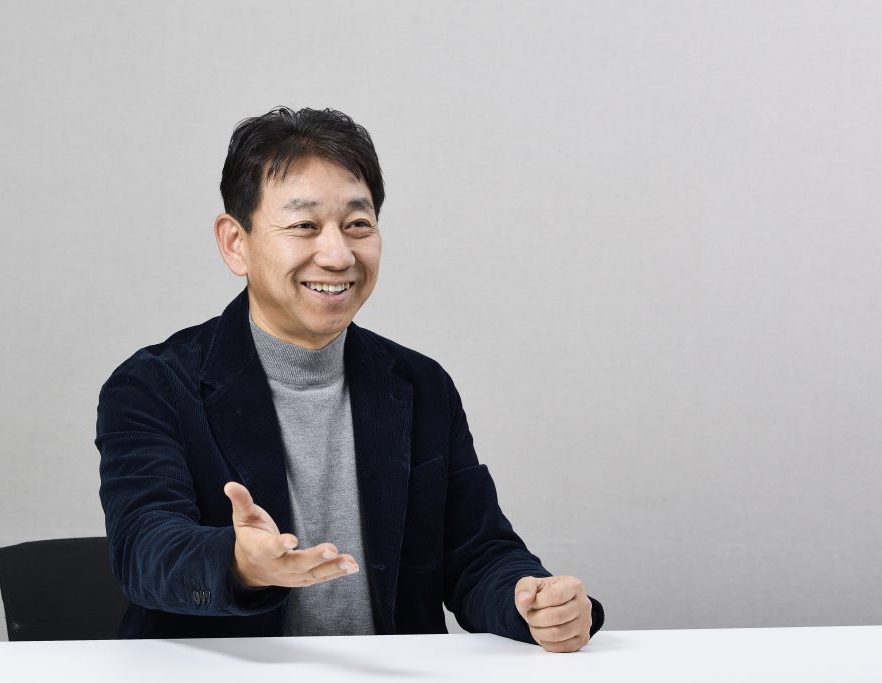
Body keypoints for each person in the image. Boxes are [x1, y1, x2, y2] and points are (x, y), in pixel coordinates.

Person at [95, 107, 604, 651]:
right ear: (235, 242)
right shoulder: (153, 385)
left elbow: (477, 554)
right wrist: (240, 563)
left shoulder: (420, 385)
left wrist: (532, 600)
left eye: (358, 225)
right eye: (304, 226)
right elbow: (145, 550)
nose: (338, 255)